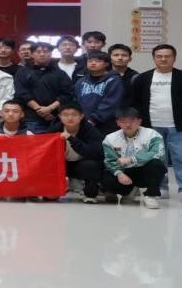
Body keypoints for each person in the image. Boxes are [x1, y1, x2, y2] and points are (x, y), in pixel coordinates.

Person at [128, 43, 182, 196]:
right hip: (151, 127)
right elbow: (135, 102)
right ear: (154, 58)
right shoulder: (142, 78)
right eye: (159, 56)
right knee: (157, 158)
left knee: (180, 157)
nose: (163, 59)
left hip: (178, 126)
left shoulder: (180, 77)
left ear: (174, 58)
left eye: (167, 56)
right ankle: (160, 186)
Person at [102, 107, 166, 209]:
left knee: (157, 165)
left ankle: (150, 195)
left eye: (132, 121)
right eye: (123, 121)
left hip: (143, 171)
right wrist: (119, 174)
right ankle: (129, 191)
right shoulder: (110, 139)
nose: (128, 125)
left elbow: (158, 153)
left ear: (139, 121)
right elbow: (109, 161)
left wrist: (132, 159)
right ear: (118, 123)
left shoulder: (152, 135)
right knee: (106, 178)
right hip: (124, 172)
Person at [14, 41, 75, 134]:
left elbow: (68, 93)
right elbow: (22, 93)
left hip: (56, 118)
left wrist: (50, 108)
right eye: (38, 52)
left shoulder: (59, 73)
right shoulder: (23, 71)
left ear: (51, 54)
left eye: (45, 51)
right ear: (32, 54)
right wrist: (41, 111)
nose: (42, 54)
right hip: (32, 118)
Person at [50, 103, 105, 202]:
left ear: (81, 116)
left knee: (92, 165)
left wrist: (71, 139)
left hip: (81, 164)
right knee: (48, 164)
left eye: (74, 114)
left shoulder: (90, 130)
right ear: (60, 117)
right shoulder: (54, 129)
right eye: (65, 115)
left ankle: (90, 193)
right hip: (62, 165)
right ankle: (52, 190)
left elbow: (95, 152)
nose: (70, 118)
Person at [75, 51, 122, 134]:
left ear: (107, 64)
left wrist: (94, 119)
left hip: (107, 125)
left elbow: (111, 103)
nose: (93, 63)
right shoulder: (80, 82)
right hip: (83, 123)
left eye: (97, 61)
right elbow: (75, 101)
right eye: (90, 61)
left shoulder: (114, 80)